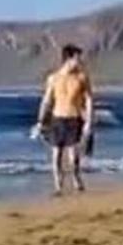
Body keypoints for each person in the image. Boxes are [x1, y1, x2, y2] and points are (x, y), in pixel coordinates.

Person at [32, 44, 95, 196]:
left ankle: (76, 179)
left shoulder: (82, 77)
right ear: (69, 59)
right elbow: (46, 100)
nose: (80, 62)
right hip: (57, 119)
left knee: (73, 156)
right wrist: (40, 121)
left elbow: (89, 100)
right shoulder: (53, 78)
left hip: (73, 118)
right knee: (56, 155)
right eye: (77, 58)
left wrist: (89, 122)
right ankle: (58, 187)